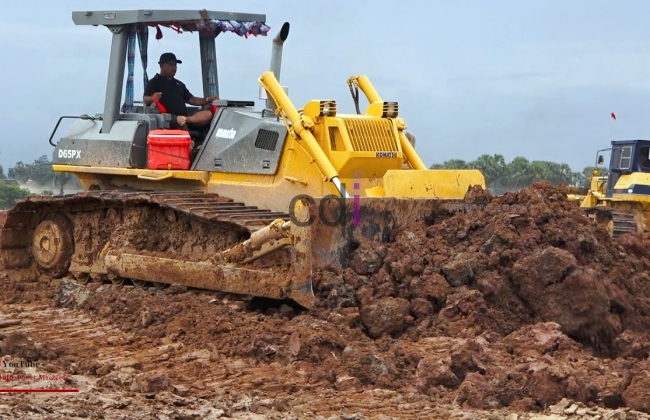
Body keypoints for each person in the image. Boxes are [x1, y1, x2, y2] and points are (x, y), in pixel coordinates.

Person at [143, 52, 218, 129]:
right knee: (179, 123)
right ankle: (183, 121)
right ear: (161, 65)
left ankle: (186, 119)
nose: (174, 68)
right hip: (167, 117)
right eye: (170, 65)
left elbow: (192, 100)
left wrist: (208, 99)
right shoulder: (154, 82)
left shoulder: (179, 84)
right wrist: (152, 98)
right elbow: (145, 99)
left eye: (175, 65)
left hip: (184, 115)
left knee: (208, 114)